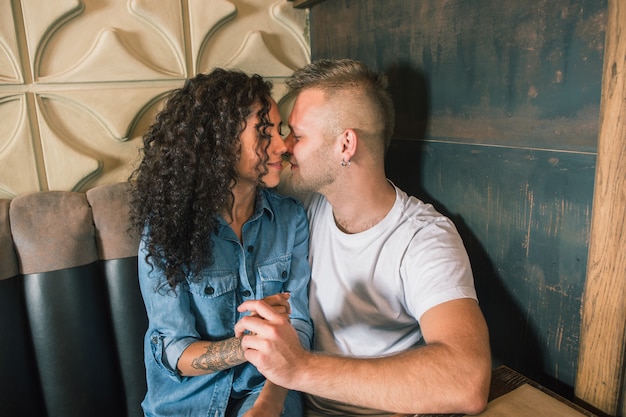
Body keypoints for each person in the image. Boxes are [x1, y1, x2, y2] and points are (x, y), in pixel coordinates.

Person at [234, 59, 492, 416]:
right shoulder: (301, 208)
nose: (285, 145)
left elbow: (467, 381)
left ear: (346, 145)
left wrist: (301, 368)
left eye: (299, 134)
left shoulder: (424, 239)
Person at [129, 69, 313, 417]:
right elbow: (172, 350)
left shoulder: (291, 219)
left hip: (267, 391)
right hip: (185, 404)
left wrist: (270, 405)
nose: (283, 145)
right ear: (221, 144)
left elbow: (299, 328)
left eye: (281, 130)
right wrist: (249, 344)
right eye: (264, 132)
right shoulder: (167, 230)